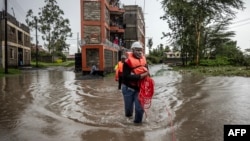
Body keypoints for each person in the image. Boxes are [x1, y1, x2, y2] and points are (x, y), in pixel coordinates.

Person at [122, 41, 149, 124]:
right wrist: (140, 76)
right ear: (132, 50)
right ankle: (128, 123)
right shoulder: (127, 63)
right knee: (129, 112)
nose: (139, 52)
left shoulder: (144, 61)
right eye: (137, 50)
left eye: (140, 50)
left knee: (139, 109)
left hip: (139, 89)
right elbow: (126, 76)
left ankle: (137, 125)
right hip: (128, 89)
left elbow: (147, 73)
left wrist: (148, 83)